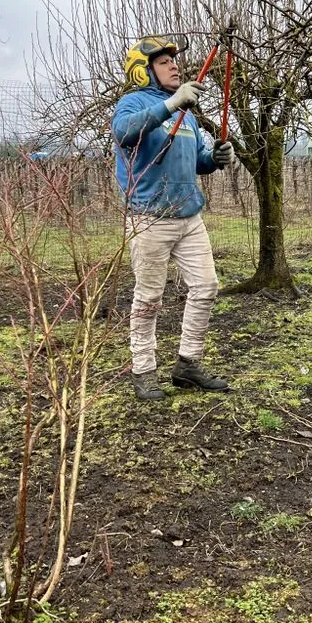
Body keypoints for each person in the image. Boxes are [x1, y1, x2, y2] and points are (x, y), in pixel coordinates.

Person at [112, 35, 236, 401]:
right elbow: (125, 132)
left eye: (173, 61)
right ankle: (144, 372)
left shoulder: (189, 115)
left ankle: (188, 365)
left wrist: (217, 157)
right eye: (164, 62)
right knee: (149, 298)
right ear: (142, 70)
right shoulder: (132, 103)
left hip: (189, 216)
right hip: (149, 218)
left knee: (206, 287)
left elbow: (199, 160)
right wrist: (171, 103)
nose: (174, 65)